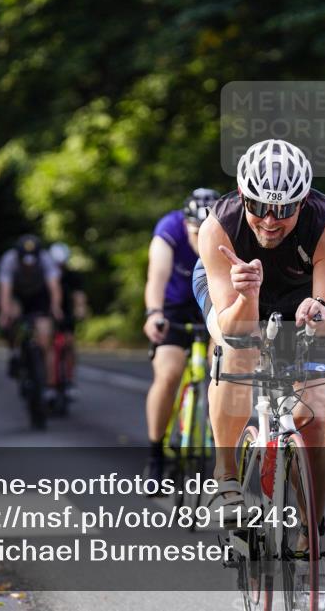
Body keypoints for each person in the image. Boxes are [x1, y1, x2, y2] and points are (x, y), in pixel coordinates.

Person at [194, 139, 325, 608]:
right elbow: (231, 327)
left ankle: (310, 527)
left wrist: (318, 312)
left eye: (284, 209)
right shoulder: (218, 226)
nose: (270, 219)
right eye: (259, 206)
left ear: (304, 201)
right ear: (244, 196)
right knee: (237, 352)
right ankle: (224, 479)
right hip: (238, 293)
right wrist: (247, 295)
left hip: (301, 297)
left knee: (314, 417)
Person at [143, 188, 221, 485]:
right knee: (169, 373)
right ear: (186, 224)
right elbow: (156, 277)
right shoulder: (170, 230)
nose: (202, 240)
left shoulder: (231, 230)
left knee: (222, 370)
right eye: (196, 233)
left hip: (213, 302)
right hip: (174, 306)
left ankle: (218, 437)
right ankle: (155, 453)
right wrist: (154, 313)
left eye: (207, 233)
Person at [0, 235, 63, 386]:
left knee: (45, 335)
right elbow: (5, 290)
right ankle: (14, 352)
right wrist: (5, 313)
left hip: (39, 297)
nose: (29, 266)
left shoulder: (46, 259)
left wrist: (56, 307)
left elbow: (54, 287)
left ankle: (48, 383)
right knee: (10, 318)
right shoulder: (9, 260)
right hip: (18, 296)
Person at [48, 242, 87, 395]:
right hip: (48, 313)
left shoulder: (72, 276)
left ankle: (69, 379)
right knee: (46, 345)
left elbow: (79, 296)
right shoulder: (46, 275)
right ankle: (48, 382)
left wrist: (80, 310)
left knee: (69, 344)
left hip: (66, 313)